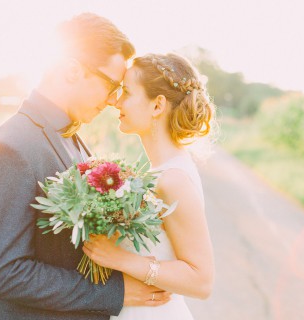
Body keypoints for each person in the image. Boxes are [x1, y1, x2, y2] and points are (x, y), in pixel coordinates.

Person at [0, 13, 170, 320]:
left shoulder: (70, 137)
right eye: (111, 85)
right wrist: (114, 293)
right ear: (72, 70)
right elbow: (4, 272)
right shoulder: (11, 147)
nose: (112, 100)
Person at [82, 53, 216, 319]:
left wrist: (119, 259)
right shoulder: (158, 172)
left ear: (157, 106)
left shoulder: (173, 179)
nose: (116, 101)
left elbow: (202, 280)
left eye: (127, 93)